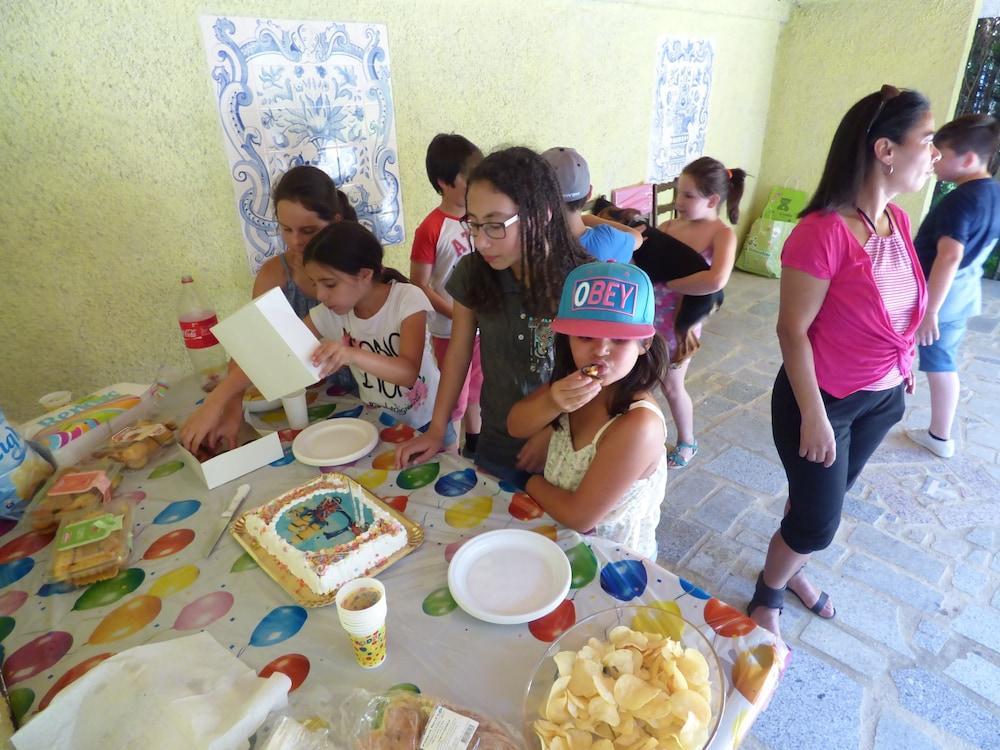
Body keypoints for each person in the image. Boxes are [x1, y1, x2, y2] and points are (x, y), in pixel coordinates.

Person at [749, 86, 937, 652]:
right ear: (885, 149)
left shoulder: (896, 223)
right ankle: (767, 593)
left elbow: (896, 305)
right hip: (823, 402)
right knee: (819, 521)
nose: (935, 155)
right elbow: (792, 331)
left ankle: (791, 565)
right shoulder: (822, 233)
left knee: (813, 503)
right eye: (926, 142)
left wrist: (906, 353)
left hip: (881, 398)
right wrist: (813, 415)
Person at [394, 146, 592, 486]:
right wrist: (438, 431)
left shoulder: (582, 282)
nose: (482, 242)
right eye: (473, 225)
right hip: (497, 438)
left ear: (542, 213)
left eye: (496, 226)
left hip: (563, 445)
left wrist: (553, 433)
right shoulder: (475, 271)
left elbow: (601, 374)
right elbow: (458, 354)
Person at [180, 222, 453, 452]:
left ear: (365, 274)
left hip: (427, 426)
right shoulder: (332, 312)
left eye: (329, 284)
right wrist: (218, 401)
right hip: (379, 423)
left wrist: (352, 354)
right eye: (315, 284)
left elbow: (407, 372)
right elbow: (275, 349)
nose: (320, 295)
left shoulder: (407, 299)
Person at [181, 165, 358, 451]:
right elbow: (251, 347)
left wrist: (216, 401)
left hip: (363, 399)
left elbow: (283, 346)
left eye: (308, 231)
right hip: (306, 405)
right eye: (286, 229)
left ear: (335, 222)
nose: (295, 241)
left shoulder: (355, 273)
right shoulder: (275, 274)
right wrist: (231, 411)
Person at [508, 262, 669, 560]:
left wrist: (525, 481)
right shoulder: (571, 384)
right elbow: (516, 426)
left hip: (610, 559)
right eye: (585, 337)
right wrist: (553, 404)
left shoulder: (639, 425)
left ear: (644, 343)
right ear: (567, 338)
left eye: (619, 339)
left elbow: (579, 516)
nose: (600, 350)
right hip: (558, 536)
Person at [640, 157, 745, 469]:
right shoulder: (670, 226)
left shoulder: (721, 234)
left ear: (712, 200)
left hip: (679, 326)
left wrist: (669, 282)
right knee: (638, 381)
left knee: (672, 385)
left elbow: (715, 280)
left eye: (688, 195)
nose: (678, 201)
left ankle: (687, 440)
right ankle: (638, 438)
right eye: (678, 193)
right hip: (646, 318)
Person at [907, 114, 1000, 458]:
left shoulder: (962, 200)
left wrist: (929, 310)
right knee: (942, 360)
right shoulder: (994, 194)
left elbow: (949, 256)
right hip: (962, 296)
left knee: (939, 363)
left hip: (937, 300)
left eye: (941, 154)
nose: (933, 160)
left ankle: (939, 436)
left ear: (969, 159)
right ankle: (938, 433)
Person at [410, 134, 485, 458]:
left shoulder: (482, 220)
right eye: (469, 176)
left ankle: (476, 446)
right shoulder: (431, 228)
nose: (478, 181)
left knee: (477, 392)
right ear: (444, 182)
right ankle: (451, 456)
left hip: (484, 327)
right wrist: (457, 314)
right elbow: (420, 284)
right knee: (454, 395)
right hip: (448, 331)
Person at [541, 147, 642, 262]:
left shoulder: (533, 245)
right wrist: (589, 219)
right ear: (589, 193)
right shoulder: (610, 239)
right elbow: (637, 238)